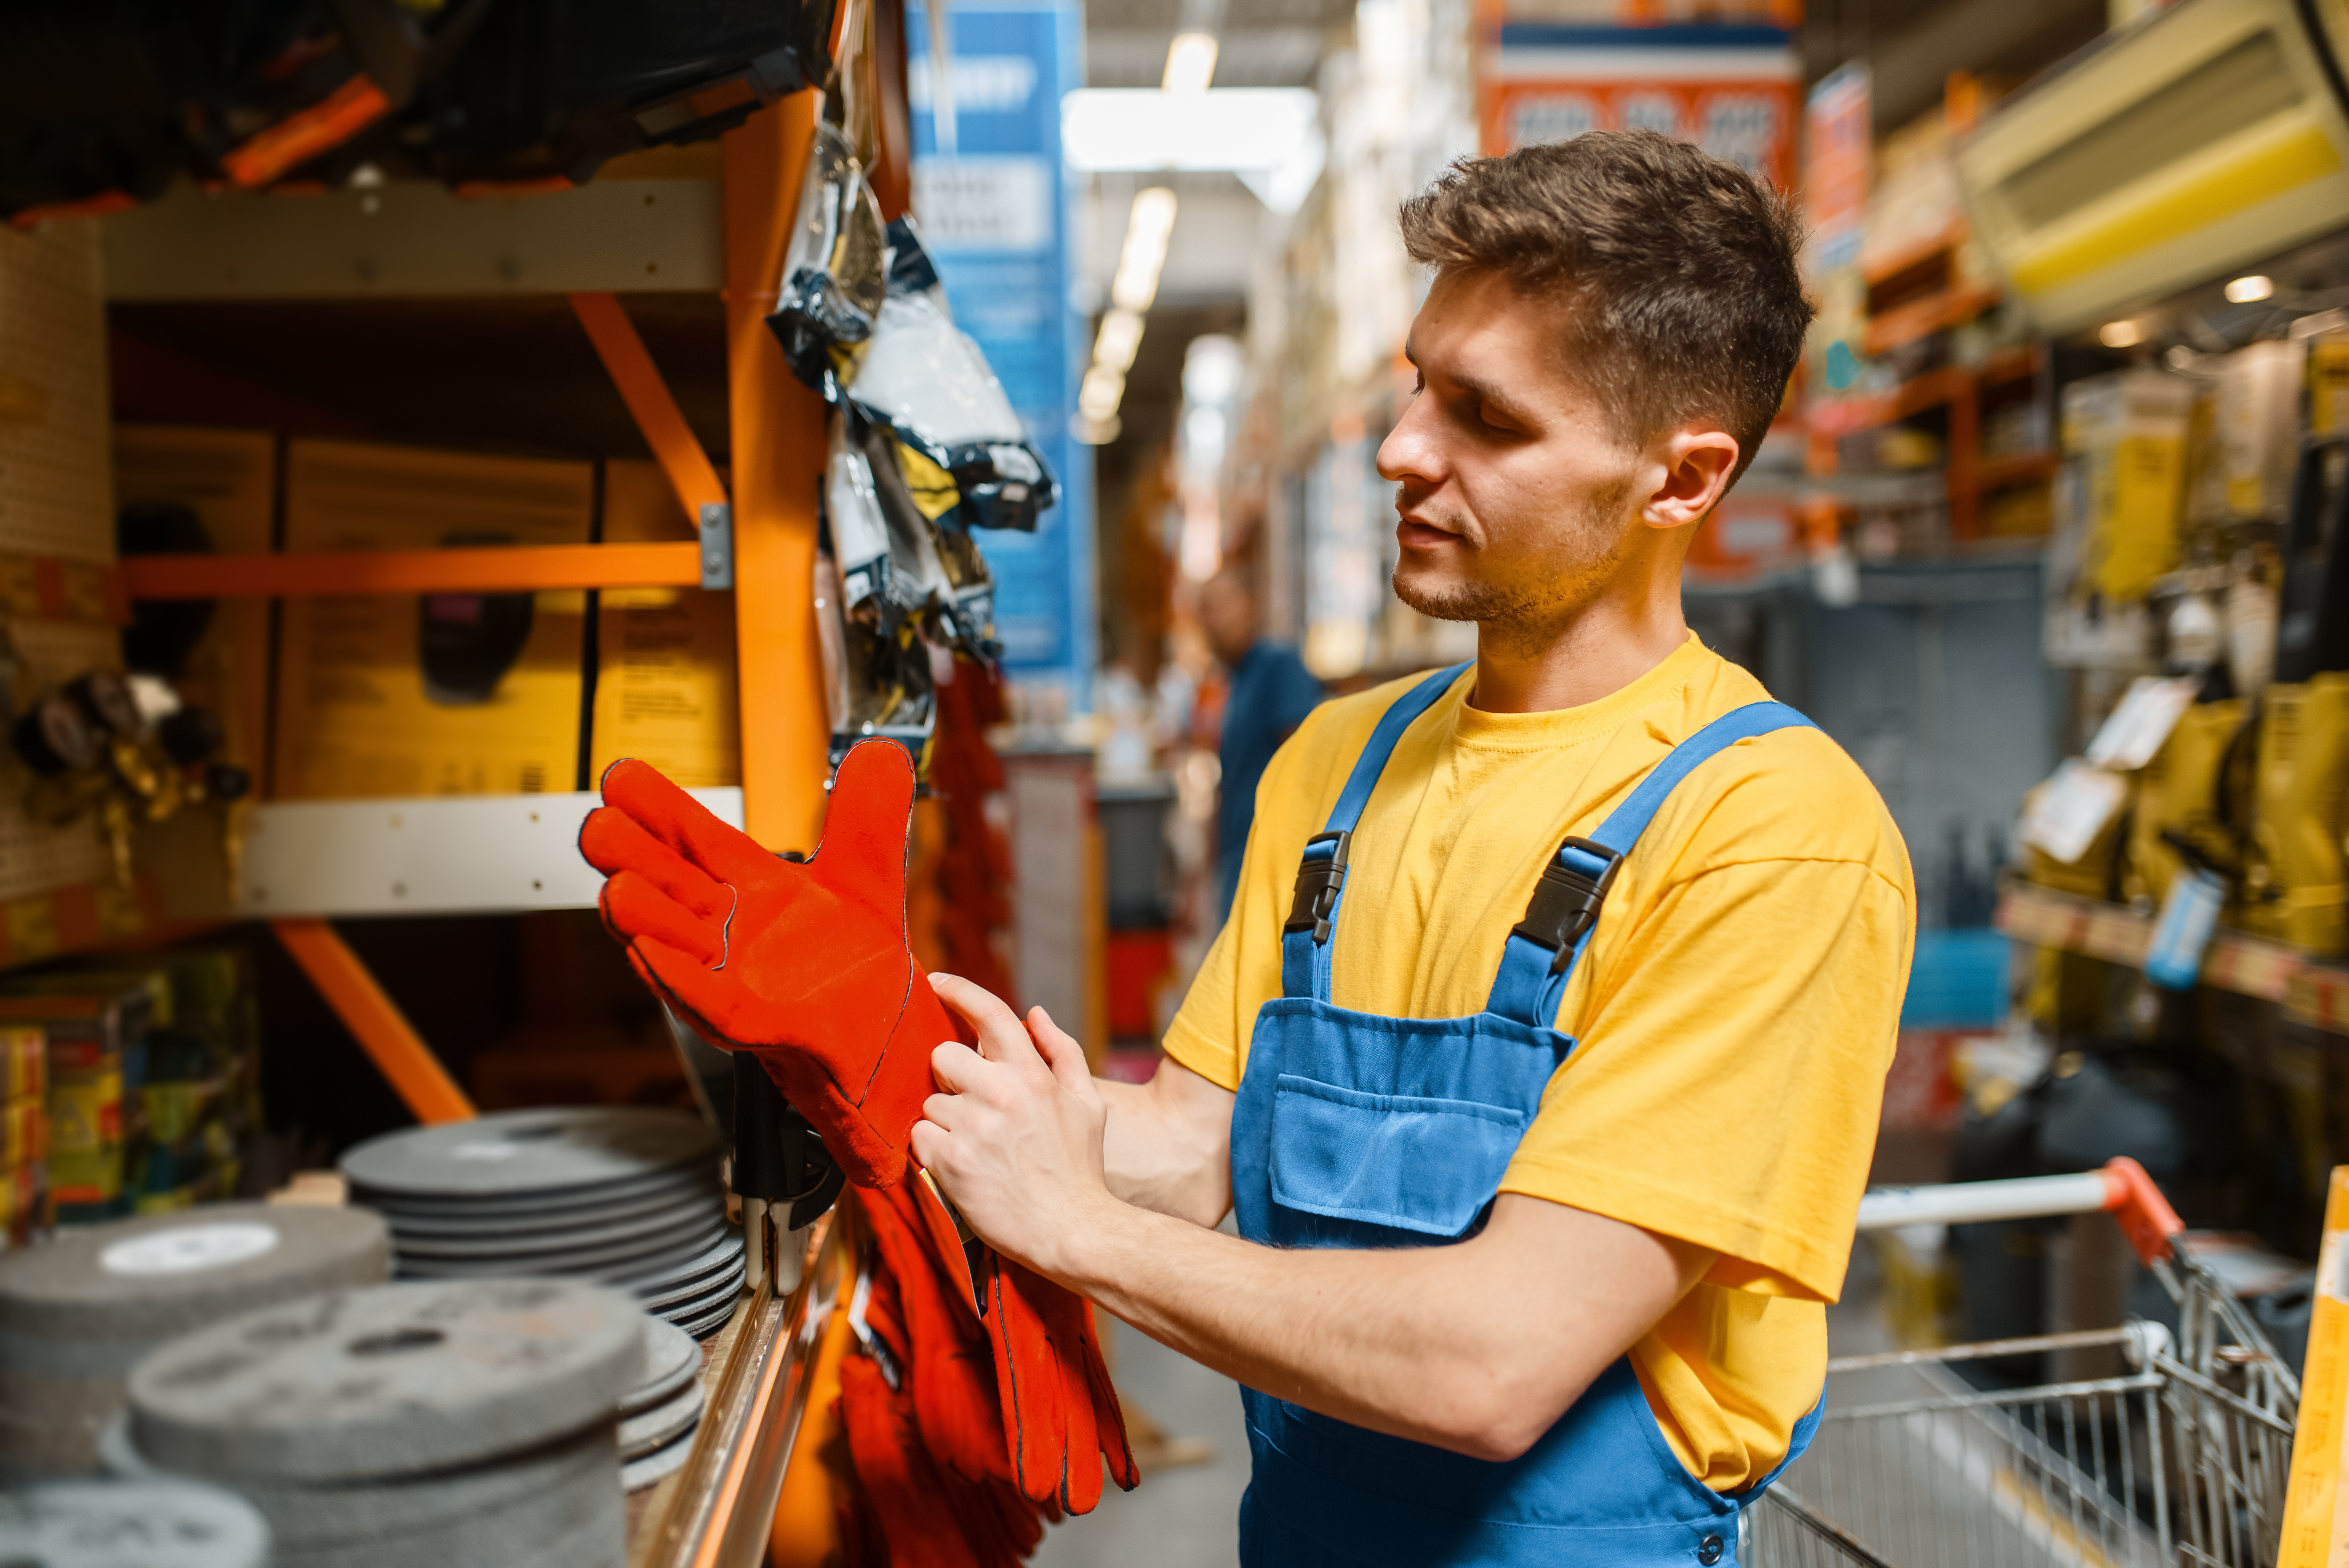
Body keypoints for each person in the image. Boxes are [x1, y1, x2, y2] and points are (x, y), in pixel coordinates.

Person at [913, 129, 1916, 1566]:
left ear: (1678, 481)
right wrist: (921, 1081)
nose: (1397, 449)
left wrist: (1073, 1228)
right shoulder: (1336, 766)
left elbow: (1494, 1362)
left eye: (1483, 420)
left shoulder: (1767, 840)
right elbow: (1192, 1148)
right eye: (1413, 384)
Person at [1197, 568, 1324, 921]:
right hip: (1237, 861)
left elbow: (1305, 761)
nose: (1211, 620)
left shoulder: (1277, 666)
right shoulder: (1234, 681)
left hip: (1272, 868)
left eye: (1219, 606)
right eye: (1203, 609)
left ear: (1250, 606)